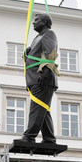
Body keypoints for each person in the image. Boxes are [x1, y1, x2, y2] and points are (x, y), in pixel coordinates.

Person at [18, 13, 59, 144]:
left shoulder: (49, 34)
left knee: (37, 108)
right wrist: (28, 53)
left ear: (45, 22)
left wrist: (45, 72)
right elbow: (36, 56)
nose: (34, 23)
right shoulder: (38, 37)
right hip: (36, 78)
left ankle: (29, 136)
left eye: (37, 20)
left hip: (42, 78)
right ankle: (49, 138)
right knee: (43, 109)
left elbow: (51, 52)